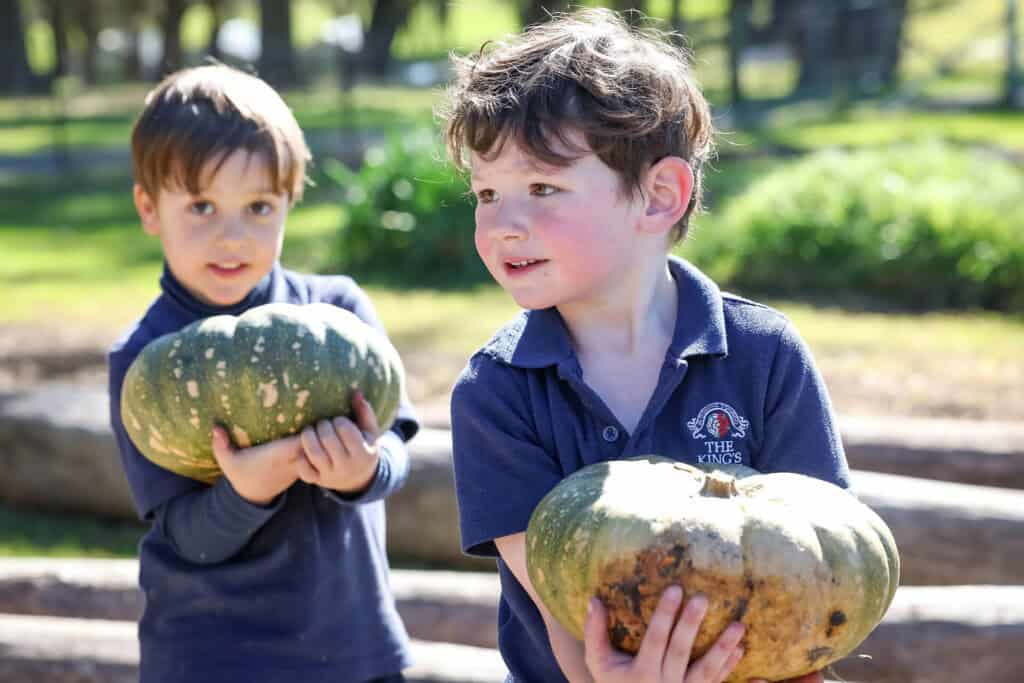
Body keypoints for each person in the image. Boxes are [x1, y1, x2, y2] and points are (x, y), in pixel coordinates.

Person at [441, 9, 847, 683]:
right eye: (487, 193)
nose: (502, 225)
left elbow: (827, 568)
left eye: (542, 187)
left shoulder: (764, 355)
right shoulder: (496, 391)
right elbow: (563, 618)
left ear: (659, 196)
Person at [107, 64, 418, 683]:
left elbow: (395, 446)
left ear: (288, 201)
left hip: (352, 647)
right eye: (201, 206)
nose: (232, 236)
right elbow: (184, 535)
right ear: (149, 208)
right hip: (212, 659)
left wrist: (363, 471)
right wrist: (248, 491)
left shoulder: (339, 314)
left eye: (258, 207)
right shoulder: (145, 359)